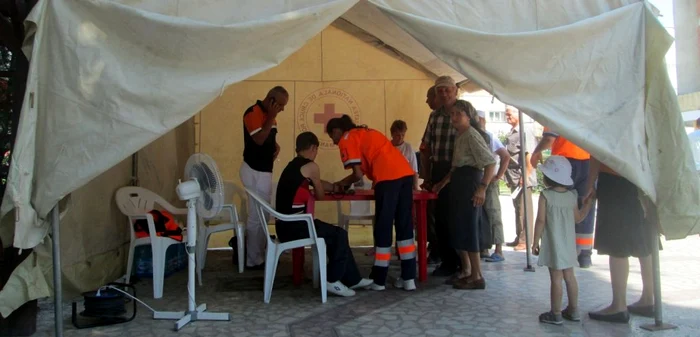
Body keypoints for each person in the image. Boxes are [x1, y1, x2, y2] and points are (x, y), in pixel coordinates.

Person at [275, 132, 373, 297]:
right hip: (295, 226)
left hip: (285, 225)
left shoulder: (293, 166)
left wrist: (335, 187)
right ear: (313, 147)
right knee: (339, 234)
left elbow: (318, 182)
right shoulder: (311, 166)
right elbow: (320, 195)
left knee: (335, 234)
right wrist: (330, 188)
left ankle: (353, 279)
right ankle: (332, 280)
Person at [326, 115, 417, 291]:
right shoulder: (365, 132)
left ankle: (379, 280)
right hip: (405, 176)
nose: (334, 141)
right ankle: (409, 279)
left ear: (337, 130)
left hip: (387, 178)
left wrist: (341, 184)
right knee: (405, 227)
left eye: (332, 137)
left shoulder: (346, 138)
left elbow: (358, 175)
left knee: (383, 226)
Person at [432, 100, 496, 290]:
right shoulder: (460, 135)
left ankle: (477, 276)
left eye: (458, 114)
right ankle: (467, 271)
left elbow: (490, 163)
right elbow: (455, 167)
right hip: (459, 183)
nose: (453, 118)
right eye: (451, 114)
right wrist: (441, 184)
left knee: (469, 229)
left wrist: (482, 188)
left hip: (470, 183)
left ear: (469, 116)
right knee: (459, 228)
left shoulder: (472, 135)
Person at [585, 159, 656, 323]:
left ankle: (618, 305)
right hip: (642, 175)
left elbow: (597, 148)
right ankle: (648, 298)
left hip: (615, 176)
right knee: (644, 240)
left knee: (616, 242)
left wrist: (590, 184)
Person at [531, 156, 595, 325]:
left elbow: (540, 221)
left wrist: (535, 241)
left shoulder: (545, 196)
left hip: (553, 243)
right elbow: (579, 218)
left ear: (546, 177)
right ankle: (573, 311)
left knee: (556, 278)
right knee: (570, 276)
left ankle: (556, 313)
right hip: (569, 244)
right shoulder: (571, 195)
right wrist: (587, 205)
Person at [531, 127, 595, 268]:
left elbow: (549, 138)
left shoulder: (555, 109)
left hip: (564, 163)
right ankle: (584, 255)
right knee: (583, 204)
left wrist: (536, 152)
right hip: (588, 160)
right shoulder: (586, 110)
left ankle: (561, 250)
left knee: (559, 207)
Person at [240, 86, 287, 270]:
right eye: (280, 105)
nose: (282, 109)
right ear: (271, 100)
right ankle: (253, 259)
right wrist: (270, 118)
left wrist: (275, 146)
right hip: (253, 170)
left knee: (264, 215)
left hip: (265, 170)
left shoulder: (270, 117)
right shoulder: (253, 113)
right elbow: (258, 139)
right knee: (255, 215)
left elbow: (267, 138)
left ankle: (259, 254)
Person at [420, 76, 460, 276]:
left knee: (457, 217)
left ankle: (463, 262)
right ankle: (448, 261)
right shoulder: (434, 116)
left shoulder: (463, 111)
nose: (443, 93)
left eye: (447, 90)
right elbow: (426, 147)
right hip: (439, 168)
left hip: (459, 170)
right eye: (440, 90)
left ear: (455, 91)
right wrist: (426, 176)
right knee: (441, 218)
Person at [476, 110, 510, 262]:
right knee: (480, 215)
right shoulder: (475, 135)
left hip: (488, 181)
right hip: (478, 179)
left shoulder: (490, 136)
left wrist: (498, 175)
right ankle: (483, 247)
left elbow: (505, 156)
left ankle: (498, 250)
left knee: (493, 213)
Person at [503, 106, 537, 251]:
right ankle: (519, 236)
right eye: (506, 115)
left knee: (524, 210)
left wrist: (526, 175)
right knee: (518, 208)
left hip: (522, 177)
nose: (507, 117)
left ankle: (526, 239)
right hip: (514, 178)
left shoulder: (525, 130)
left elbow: (529, 154)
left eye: (509, 114)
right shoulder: (513, 131)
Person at [390, 120, 419, 190]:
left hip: (404, 185)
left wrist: (416, 187)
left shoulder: (408, 148)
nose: (401, 138)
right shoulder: (386, 147)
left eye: (403, 135)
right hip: (390, 184)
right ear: (392, 134)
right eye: (398, 135)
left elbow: (414, 170)